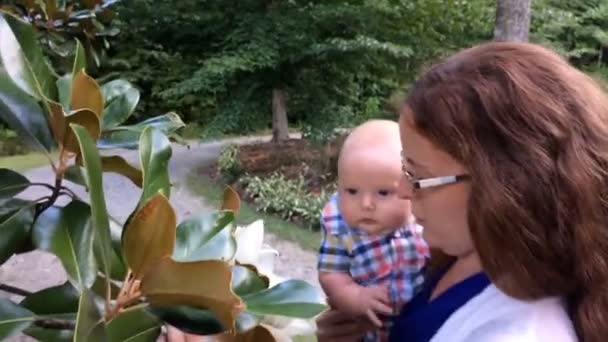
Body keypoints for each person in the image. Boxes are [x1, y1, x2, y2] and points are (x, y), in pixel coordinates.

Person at [317, 41, 608, 341]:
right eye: (404, 168)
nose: (403, 190)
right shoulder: (467, 256)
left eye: (418, 175)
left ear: (504, 185)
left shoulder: (516, 333)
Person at [317, 119, 428, 341]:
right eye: (352, 191)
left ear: (411, 188)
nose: (366, 204)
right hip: (371, 327)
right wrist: (354, 296)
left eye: (384, 193)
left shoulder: (425, 219)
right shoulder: (340, 225)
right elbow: (331, 274)